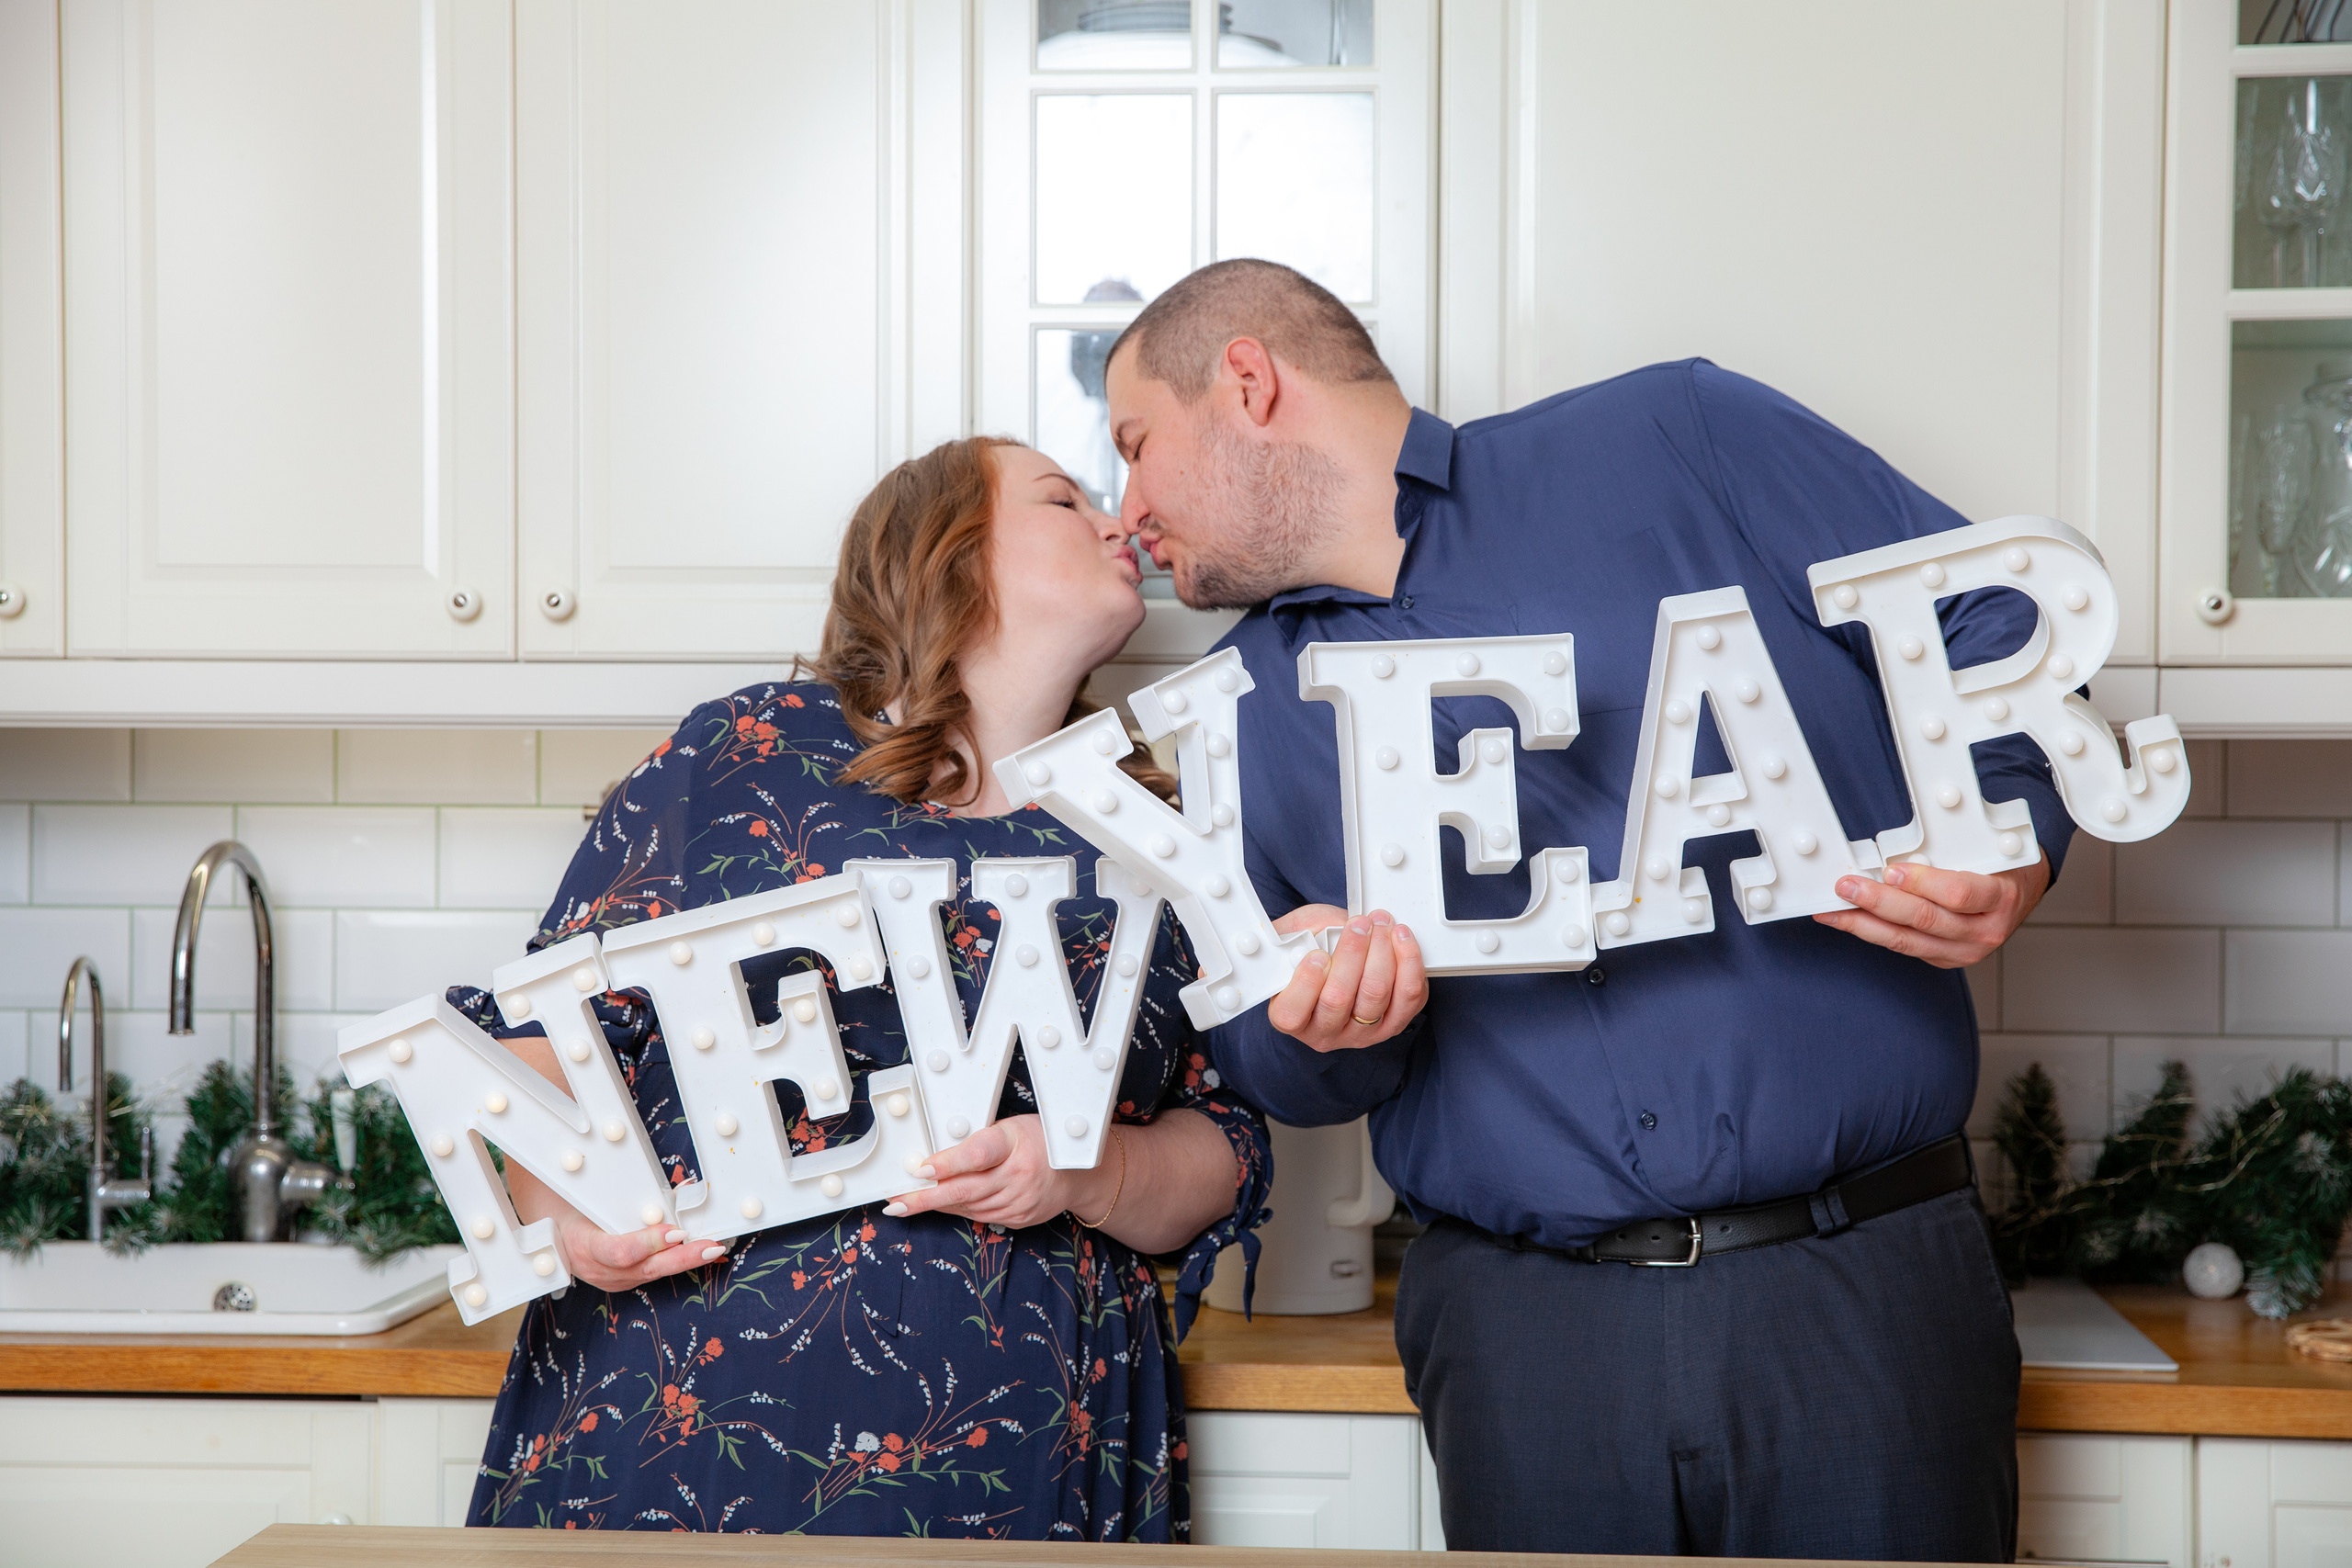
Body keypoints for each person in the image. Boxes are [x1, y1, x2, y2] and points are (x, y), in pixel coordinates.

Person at [1102, 258, 2059, 1561]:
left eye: (1135, 445)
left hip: (1862, 1295)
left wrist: (2007, 833)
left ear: (1250, 384)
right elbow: (1280, 1067)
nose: (1127, 507)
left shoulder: (1681, 438)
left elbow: (1995, 614)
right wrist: (1332, 1020)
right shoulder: (1233, 714)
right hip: (1522, 1339)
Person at [459, 437, 1272, 1540]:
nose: (1115, 519)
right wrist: (569, 1223)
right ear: (946, 547)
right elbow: (541, 1037)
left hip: (1019, 1436)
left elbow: (1223, 1142)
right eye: (1061, 498)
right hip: (677, 1411)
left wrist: (1091, 1170)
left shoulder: (1164, 827)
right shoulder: (746, 749)